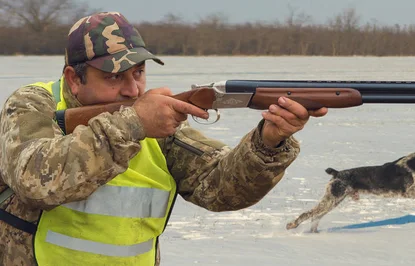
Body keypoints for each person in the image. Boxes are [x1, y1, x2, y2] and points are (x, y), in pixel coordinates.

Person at [0, 11, 327, 266]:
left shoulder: (151, 119)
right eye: (114, 76)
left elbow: (217, 188)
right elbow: (36, 180)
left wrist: (269, 142)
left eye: (138, 72)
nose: (132, 90)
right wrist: (133, 124)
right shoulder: (33, 105)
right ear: (73, 79)